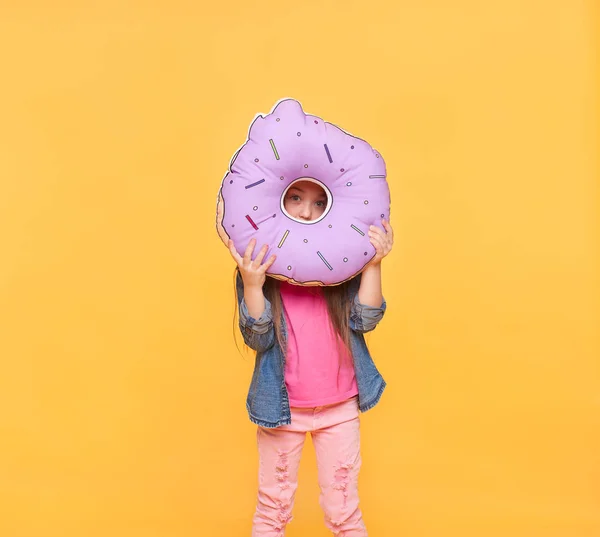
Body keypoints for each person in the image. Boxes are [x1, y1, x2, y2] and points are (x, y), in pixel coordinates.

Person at [227, 179, 393, 536]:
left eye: (319, 203)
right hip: (282, 410)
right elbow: (258, 337)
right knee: (273, 508)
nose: (306, 211)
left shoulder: (342, 263)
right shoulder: (260, 268)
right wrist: (253, 285)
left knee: (343, 511)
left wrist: (373, 263)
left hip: (340, 409)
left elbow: (365, 318)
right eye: (296, 198)